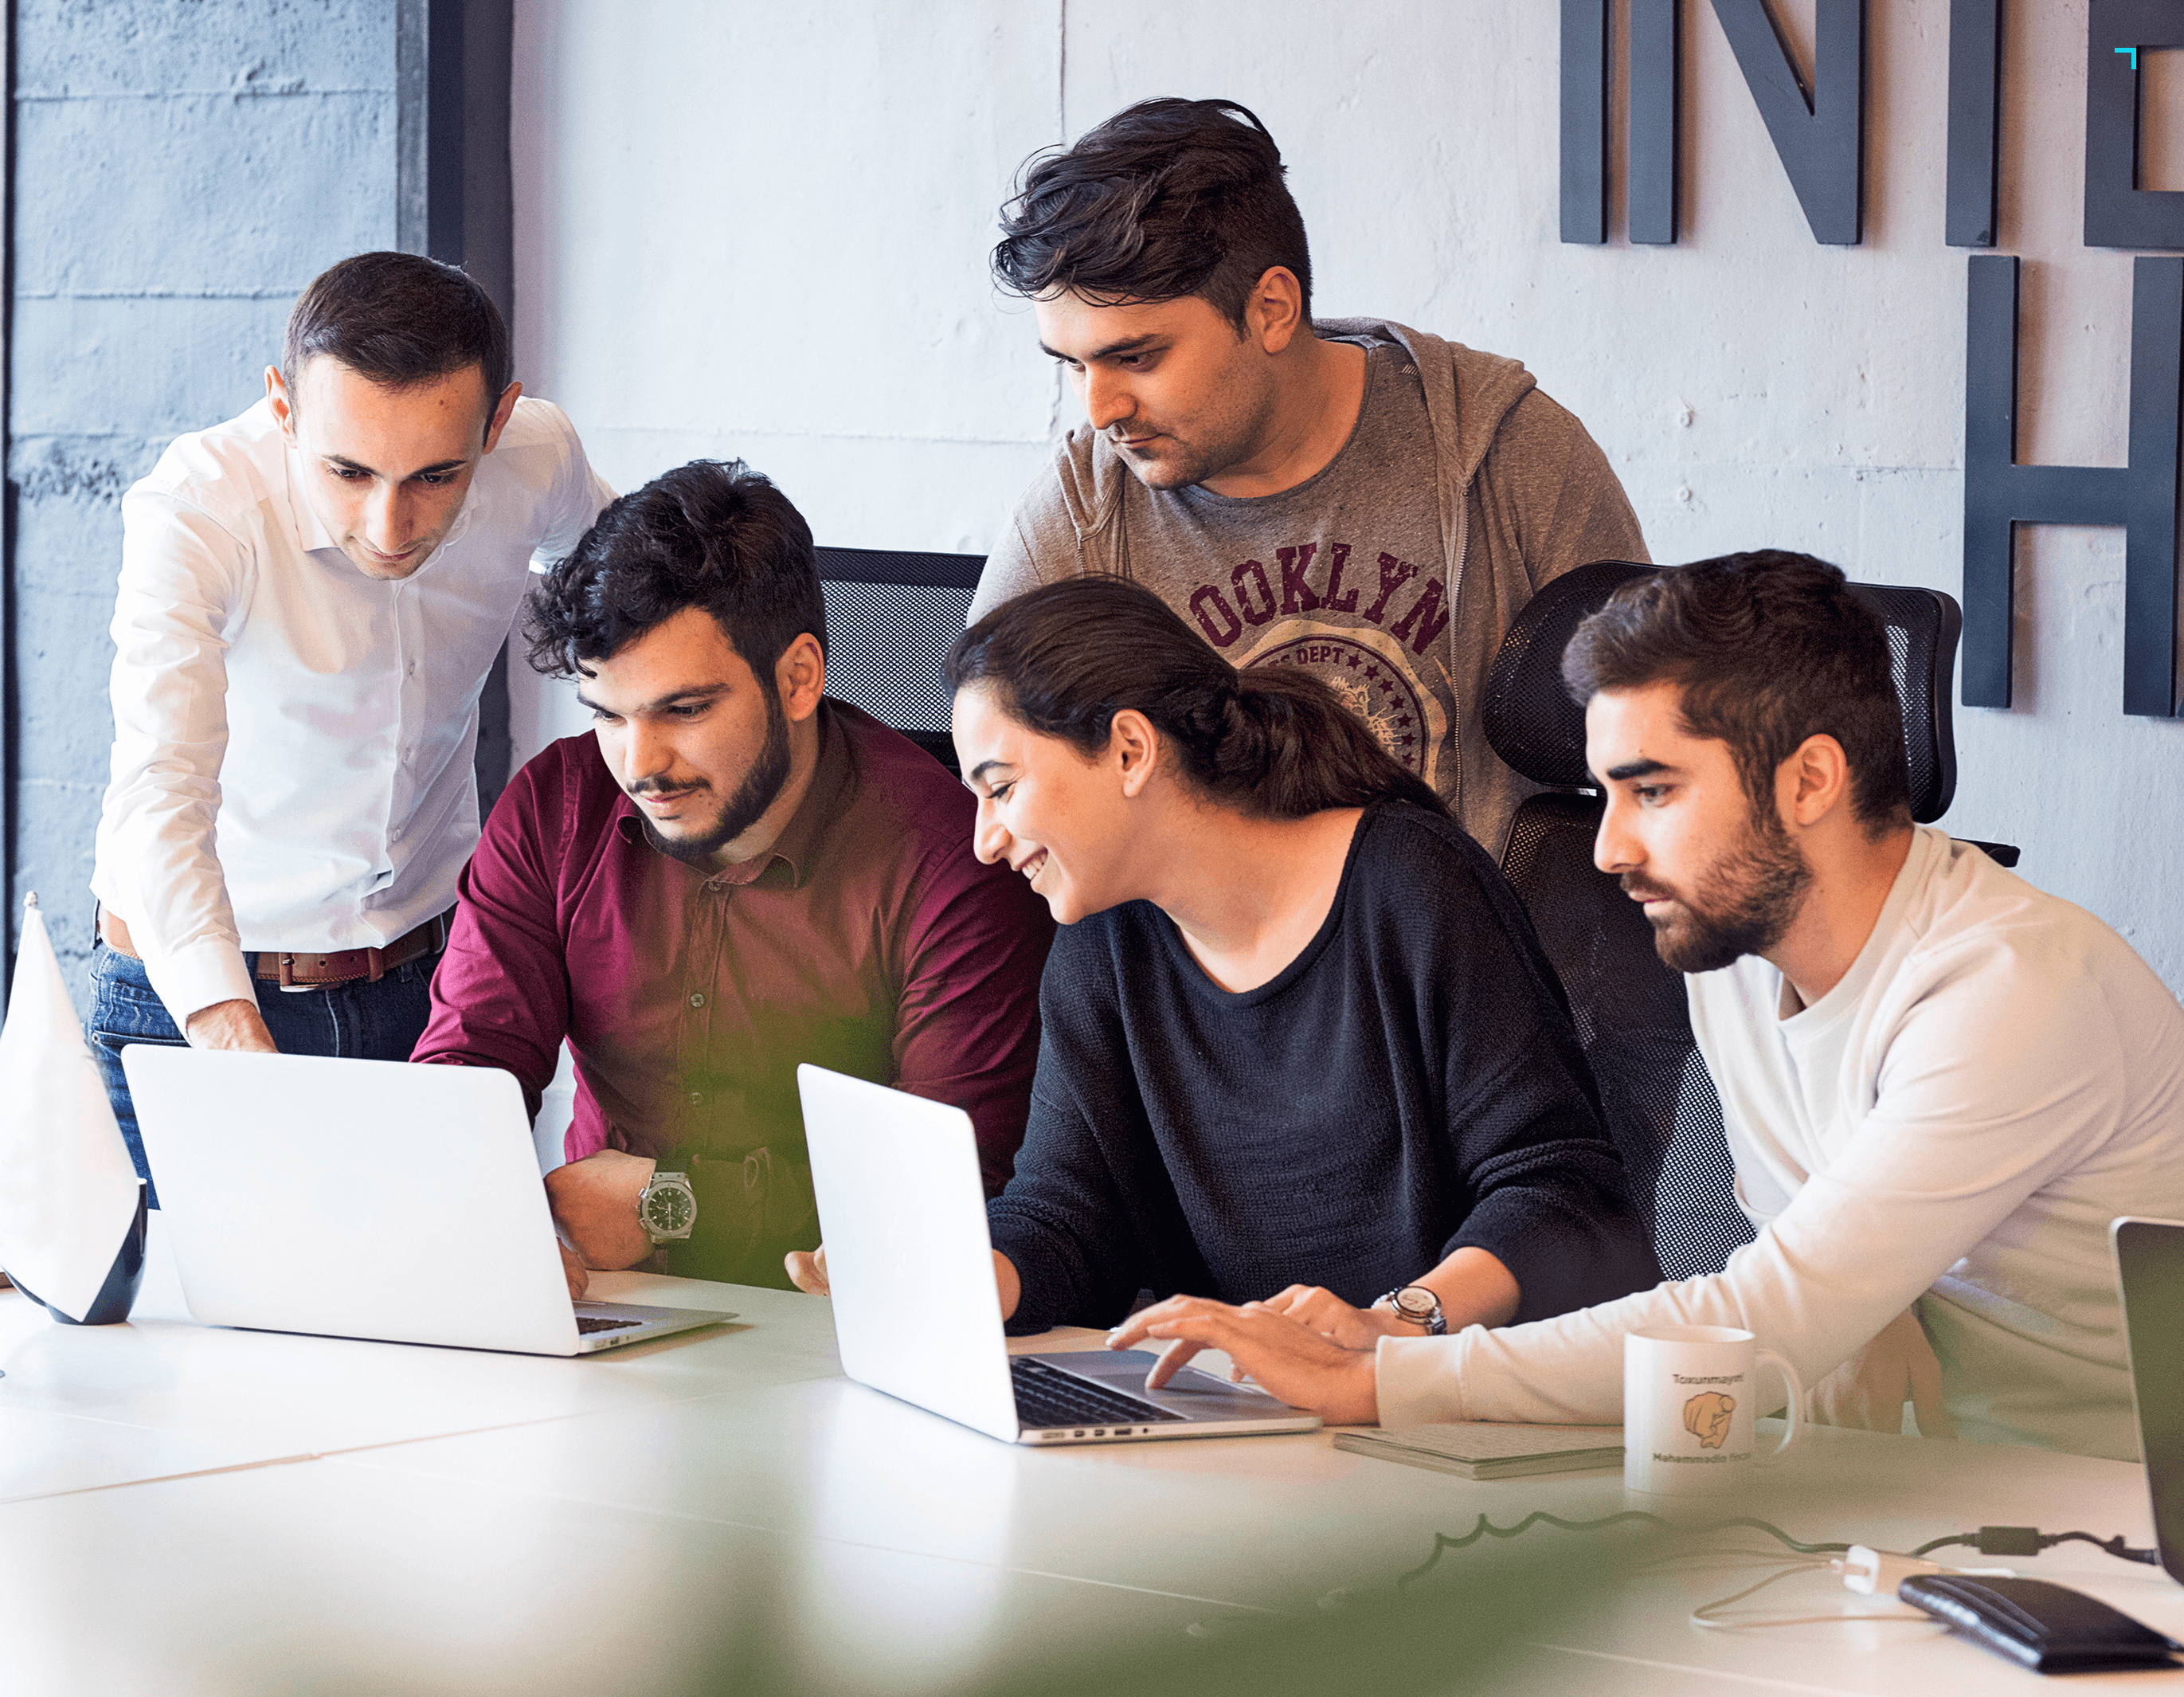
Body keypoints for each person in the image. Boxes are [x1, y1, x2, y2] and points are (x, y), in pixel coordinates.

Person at [1110, 552, 2184, 1461]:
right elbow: (1797, 1291)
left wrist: (1386, 1374)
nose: (1609, 847)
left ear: (1808, 780)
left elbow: (1763, 1312)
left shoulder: (2007, 987)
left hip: (2113, 1511)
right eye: (1606, 793)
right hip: (1910, 1483)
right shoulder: (1734, 949)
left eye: (1654, 790)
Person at [788, 576, 1659, 1334]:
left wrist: (1388, 1326)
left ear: (1130, 750)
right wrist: (956, 1274)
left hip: (1448, 1407)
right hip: (1236, 1414)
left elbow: (1563, 1194)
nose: (983, 841)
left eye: (1002, 788)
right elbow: (1069, 1218)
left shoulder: (1409, 888)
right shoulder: (1103, 941)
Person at [413, 459, 1053, 1291]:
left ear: (798, 678)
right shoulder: (555, 807)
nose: (640, 766)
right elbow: (464, 1076)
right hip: (608, 1306)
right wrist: (475, 1207)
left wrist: (670, 1207)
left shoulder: (951, 865)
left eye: (683, 711)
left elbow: (945, 1192)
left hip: (833, 1322)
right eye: (608, 715)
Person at [971, 96, 1649, 860]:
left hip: (1459, 964)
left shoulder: (1506, 451)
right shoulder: (1084, 509)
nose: (1100, 410)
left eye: (1137, 357)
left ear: (1271, 309)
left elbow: (1657, 739)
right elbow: (995, 766)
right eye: (1073, 365)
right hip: (1205, 973)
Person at [90, 251, 613, 1198]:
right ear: (284, 409)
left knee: (443, 1331)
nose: (389, 523)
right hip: (200, 1001)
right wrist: (227, 1032)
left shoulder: (538, 456)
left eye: (437, 476)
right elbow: (159, 789)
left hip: (426, 988)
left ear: (498, 420)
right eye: (348, 470)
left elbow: (630, 599)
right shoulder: (199, 509)